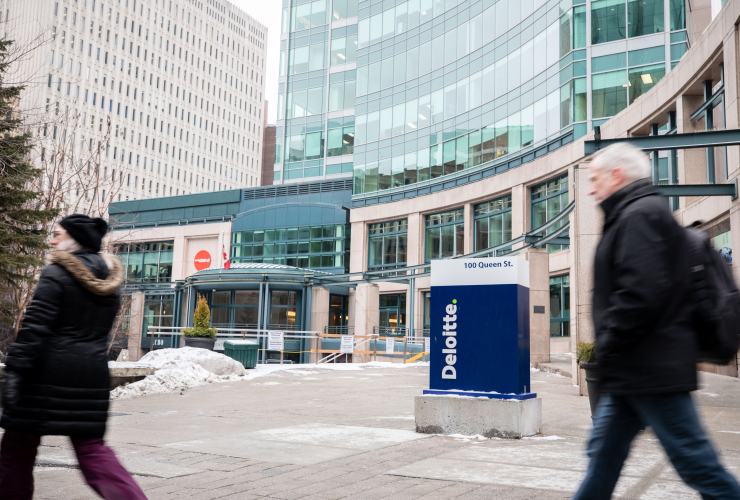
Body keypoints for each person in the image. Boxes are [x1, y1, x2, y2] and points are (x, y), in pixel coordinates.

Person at [571, 143, 740, 499]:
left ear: (617, 175)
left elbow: (640, 293)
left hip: (651, 371)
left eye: (595, 178)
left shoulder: (639, 215)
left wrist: (610, 342)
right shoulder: (634, 213)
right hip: (635, 371)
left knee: (699, 467)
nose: (590, 188)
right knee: (600, 461)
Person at [0, 214, 147, 500]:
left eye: (58, 234)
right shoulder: (111, 281)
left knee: (17, 448)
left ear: (74, 239)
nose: (53, 241)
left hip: (43, 376)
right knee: (92, 449)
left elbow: (34, 326)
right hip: (91, 373)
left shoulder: (57, 273)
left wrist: (16, 370)